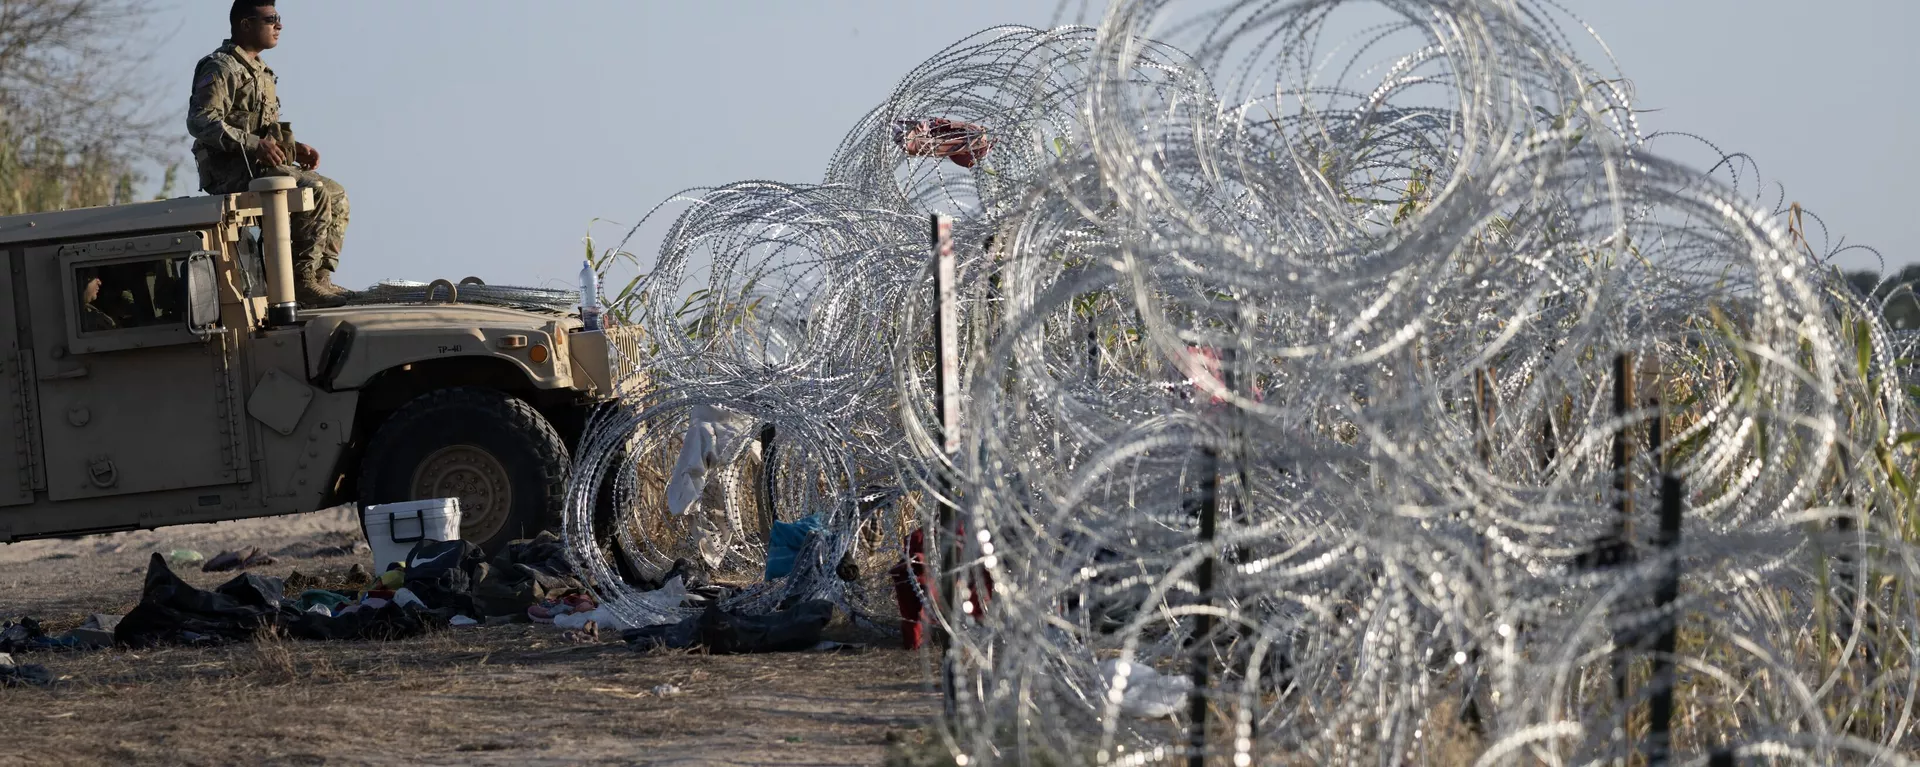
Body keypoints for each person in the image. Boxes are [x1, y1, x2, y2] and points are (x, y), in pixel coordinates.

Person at [187, 1, 352, 308]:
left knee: (336, 194)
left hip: (257, 168)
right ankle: (301, 283)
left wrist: (294, 148)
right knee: (313, 191)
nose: (279, 25)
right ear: (245, 24)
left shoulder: (261, 71)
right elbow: (201, 121)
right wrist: (254, 144)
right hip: (231, 173)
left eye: (279, 19)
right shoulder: (221, 67)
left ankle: (320, 278)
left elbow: (263, 130)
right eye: (271, 19)